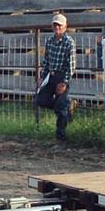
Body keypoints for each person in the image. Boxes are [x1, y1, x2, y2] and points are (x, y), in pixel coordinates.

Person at [37, 13, 76, 141]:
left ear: (65, 27)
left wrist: (64, 82)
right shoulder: (49, 41)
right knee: (40, 100)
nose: (57, 27)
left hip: (62, 76)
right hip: (51, 75)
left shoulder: (69, 42)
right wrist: (43, 76)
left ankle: (61, 136)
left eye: (59, 25)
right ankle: (66, 106)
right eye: (55, 25)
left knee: (60, 107)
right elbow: (46, 61)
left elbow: (71, 64)